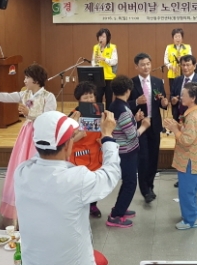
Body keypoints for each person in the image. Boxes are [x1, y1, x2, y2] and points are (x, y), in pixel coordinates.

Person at [14, 110, 121, 265]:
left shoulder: (22, 172)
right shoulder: (77, 179)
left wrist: (60, 131)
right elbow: (110, 175)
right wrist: (108, 137)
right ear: (67, 146)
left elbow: (43, 152)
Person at [0, 63, 56, 223]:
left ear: (36, 80)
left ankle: (41, 206)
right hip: (27, 133)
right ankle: (21, 206)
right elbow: (4, 96)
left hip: (41, 134)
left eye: (27, 77)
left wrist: (30, 113)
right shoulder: (25, 94)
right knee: (22, 165)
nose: (24, 80)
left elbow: (50, 118)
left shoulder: (48, 97)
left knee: (38, 168)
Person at [107, 75, 151, 228]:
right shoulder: (123, 109)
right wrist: (144, 126)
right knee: (130, 183)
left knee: (127, 182)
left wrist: (135, 119)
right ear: (128, 90)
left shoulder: (115, 105)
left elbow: (121, 125)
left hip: (121, 150)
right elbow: (132, 135)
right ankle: (116, 216)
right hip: (126, 152)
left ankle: (120, 208)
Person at [128, 53, 169, 203]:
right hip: (140, 125)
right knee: (143, 158)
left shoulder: (158, 82)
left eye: (148, 64)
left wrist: (164, 103)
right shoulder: (131, 83)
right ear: (136, 67)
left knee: (153, 157)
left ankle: (150, 186)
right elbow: (124, 104)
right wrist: (136, 102)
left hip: (155, 124)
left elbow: (162, 101)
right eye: (143, 65)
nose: (146, 67)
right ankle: (145, 190)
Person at [164, 82, 197, 230]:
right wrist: (176, 125)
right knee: (191, 191)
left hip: (189, 160)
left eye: (184, 95)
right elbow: (188, 131)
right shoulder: (194, 111)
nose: (181, 97)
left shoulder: (192, 116)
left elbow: (187, 140)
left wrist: (175, 130)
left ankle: (190, 220)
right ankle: (195, 215)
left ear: (192, 98)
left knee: (186, 192)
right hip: (193, 159)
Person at [170, 54, 197, 191]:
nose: (185, 67)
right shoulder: (177, 80)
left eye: (188, 65)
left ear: (194, 66)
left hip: (194, 119)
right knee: (181, 147)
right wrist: (174, 100)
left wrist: (193, 101)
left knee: (196, 150)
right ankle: (183, 176)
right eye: (183, 65)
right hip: (180, 119)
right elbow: (172, 96)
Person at [68, 81, 104, 218]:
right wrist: (78, 136)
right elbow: (66, 140)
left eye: (91, 96)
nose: (89, 99)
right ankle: (79, 207)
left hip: (96, 154)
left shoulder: (99, 111)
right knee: (80, 185)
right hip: (80, 157)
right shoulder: (74, 115)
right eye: (86, 97)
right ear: (79, 99)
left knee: (95, 183)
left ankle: (93, 205)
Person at [92, 28, 118, 109]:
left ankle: (108, 113)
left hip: (109, 76)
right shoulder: (96, 47)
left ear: (108, 38)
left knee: (108, 97)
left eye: (103, 37)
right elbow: (93, 60)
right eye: (100, 36)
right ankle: (98, 113)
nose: (101, 39)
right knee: (98, 96)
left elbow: (114, 61)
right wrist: (95, 65)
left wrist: (104, 59)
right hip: (99, 77)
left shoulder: (112, 47)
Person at [164, 28, 192, 94]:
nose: (177, 39)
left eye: (179, 36)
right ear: (173, 38)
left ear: (182, 38)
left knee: (185, 91)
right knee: (173, 92)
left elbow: (190, 59)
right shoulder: (169, 47)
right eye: (176, 37)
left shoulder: (187, 47)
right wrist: (170, 66)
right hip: (173, 73)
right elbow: (165, 60)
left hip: (184, 73)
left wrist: (182, 59)